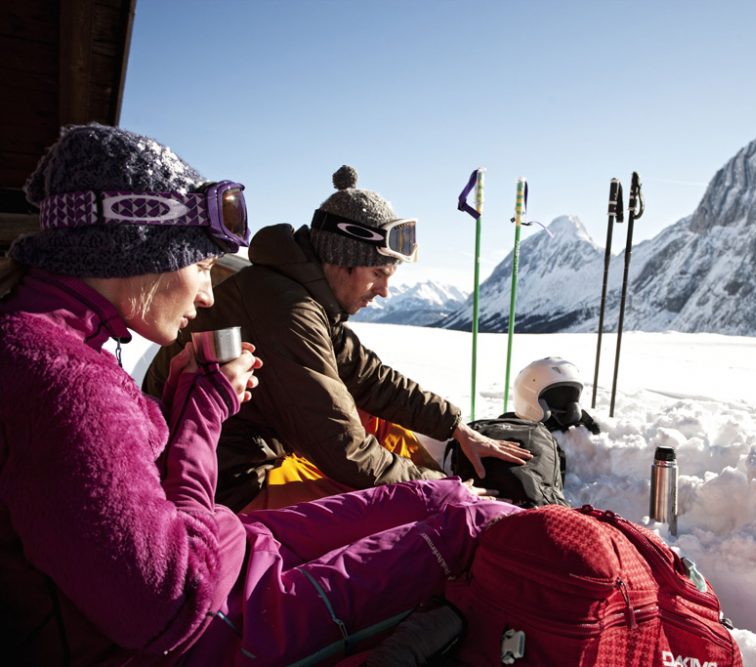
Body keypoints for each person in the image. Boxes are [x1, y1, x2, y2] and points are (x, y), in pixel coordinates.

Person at [0, 124, 518, 664]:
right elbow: (172, 603)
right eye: (202, 266)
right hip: (217, 579)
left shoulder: (57, 346)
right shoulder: (67, 383)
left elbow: (365, 374)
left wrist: (453, 425)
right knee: (466, 526)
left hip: (221, 541)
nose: (206, 295)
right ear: (134, 250)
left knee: (445, 500)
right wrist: (204, 408)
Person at [143, 165, 531, 511]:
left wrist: (455, 426)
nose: (383, 291)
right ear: (341, 258)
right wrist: (442, 491)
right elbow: (342, 449)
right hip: (227, 485)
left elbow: (370, 377)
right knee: (392, 511)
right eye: (378, 273)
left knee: (379, 421)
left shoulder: (297, 292)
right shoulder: (288, 311)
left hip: (247, 452)